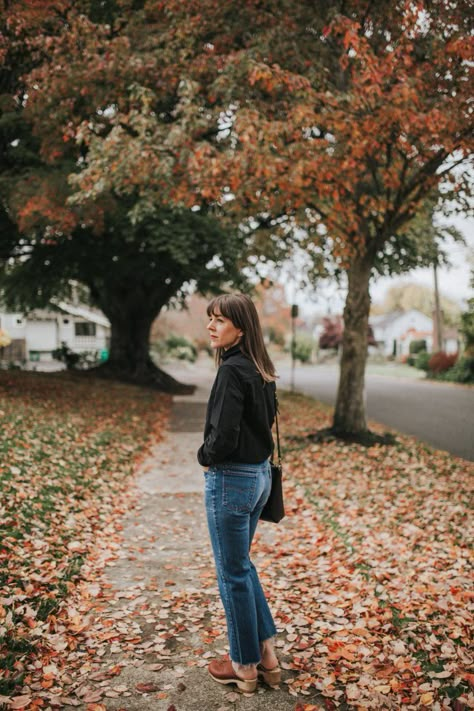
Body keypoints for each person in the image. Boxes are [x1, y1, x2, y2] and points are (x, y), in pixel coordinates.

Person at [197, 293, 281, 693]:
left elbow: (224, 436)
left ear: (240, 328)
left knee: (232, 572)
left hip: (232, 479)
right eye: (210, 319)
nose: (212, 326)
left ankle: (243, 665)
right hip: (259, 477)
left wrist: (204, 454)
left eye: (220, 320)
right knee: (242, 566)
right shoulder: (260, 368)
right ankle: (266, 656)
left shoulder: (232, 371)